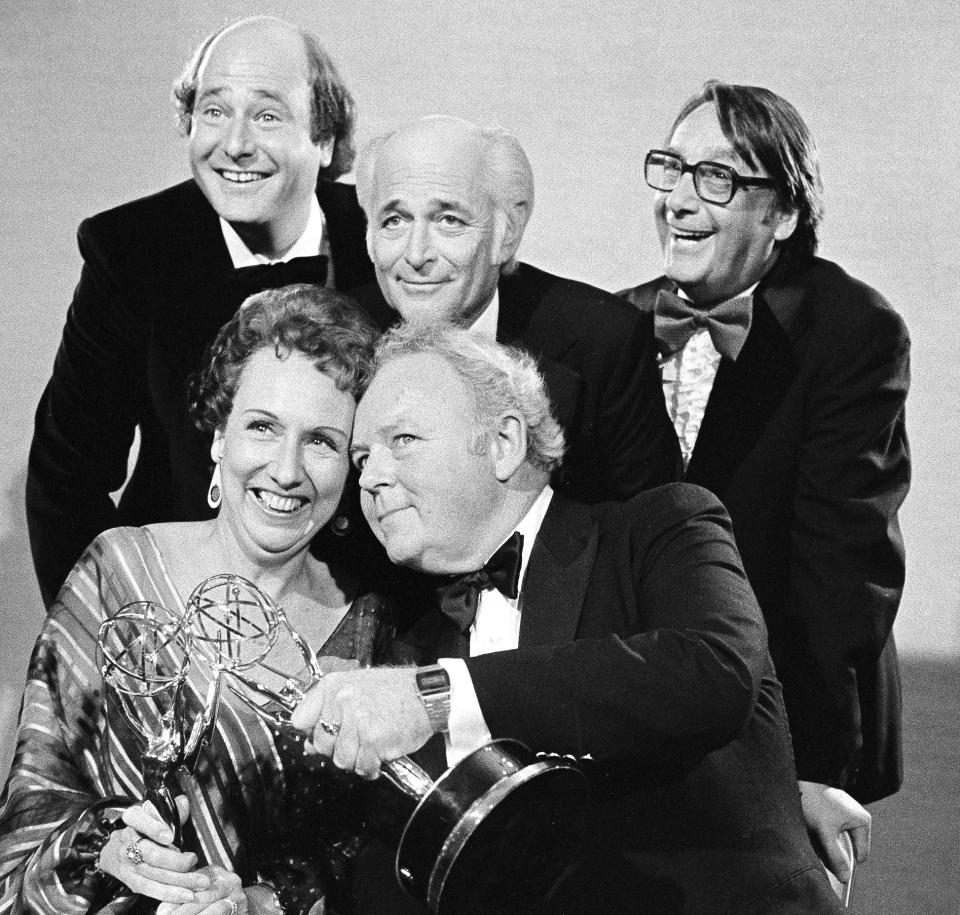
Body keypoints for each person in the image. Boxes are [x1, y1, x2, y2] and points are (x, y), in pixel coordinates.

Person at [290, 323, 844, 914]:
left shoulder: (662, 528)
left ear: (504, 442)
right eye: (361, 456)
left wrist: (440, 696)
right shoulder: (410, 638)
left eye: (401, 440)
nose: (371, 477)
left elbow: (711, 675)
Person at [1, 286, 389, 915]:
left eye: (321, 441)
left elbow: (358, 855)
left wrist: (259, 904)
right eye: (262, 427)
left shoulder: (369, 627)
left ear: (353, 467)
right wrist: (106, 849)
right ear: (217, 437)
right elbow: (34, 807)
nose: (286, 470)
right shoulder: (116, 570)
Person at [618, 80, 910, 885]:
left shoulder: (853, 330)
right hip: (652, 715)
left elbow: (844, 572)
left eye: (716, 177)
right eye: (670, 169)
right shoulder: (616, 325)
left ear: (781, 214)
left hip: (792, 715)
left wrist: (812, 771)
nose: (679, 197)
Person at [27, 15, 375, 608]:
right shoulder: (130, 248)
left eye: (267, 115)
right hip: (182, 602)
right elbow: (67, 479)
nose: (234, 144)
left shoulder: (383, 237)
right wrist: (122, 636)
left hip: (359, 600)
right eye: (213, 112)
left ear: (323, 139)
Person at [350, 115, 678, 505]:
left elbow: (655, 533)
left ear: (508, 232)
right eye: (394, 221)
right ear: (370, 236)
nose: (417, 254)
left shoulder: (604, 342)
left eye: (449, 220)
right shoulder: (341, 336)